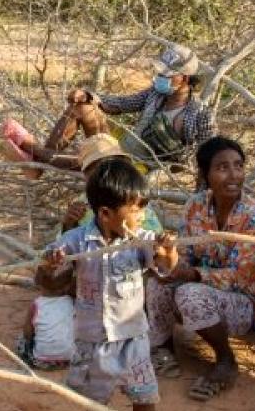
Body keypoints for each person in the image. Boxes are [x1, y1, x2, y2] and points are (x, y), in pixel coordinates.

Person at [147, 136, 255, 402]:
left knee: (189, 293)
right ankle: (162, 347)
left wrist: (191, 274)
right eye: (222, 168)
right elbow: (184, 256)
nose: (234, 175)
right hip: (204, 291)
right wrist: (169, 260)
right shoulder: (195, 205)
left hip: (248, 303)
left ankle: (226, 360)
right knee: (156, 281)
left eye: (238, 166)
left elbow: (242, 276)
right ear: (206, 174)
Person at [38, 158, 178, 410]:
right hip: (91, 344)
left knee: (145, 400)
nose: (143, 216)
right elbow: (48, 283)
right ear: (105, 214)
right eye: (135, 210)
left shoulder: (142, 240)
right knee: (89, 403)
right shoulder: (75, 242)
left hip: (133, 340)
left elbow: (165, 268)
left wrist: (168, 251)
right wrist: (49, 266)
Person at [2, 43, 214, 177]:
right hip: (122, 143)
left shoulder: (198, 114)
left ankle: (32, 150)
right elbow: (121, 104)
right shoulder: (156, 94)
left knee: (95, 159)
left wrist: (175, 164)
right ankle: (38, 165)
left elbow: (203, 157)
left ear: (184, 78)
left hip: (137, 165)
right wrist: (90, 96)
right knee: (82, 106)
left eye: (166, 75)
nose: (159, 78)